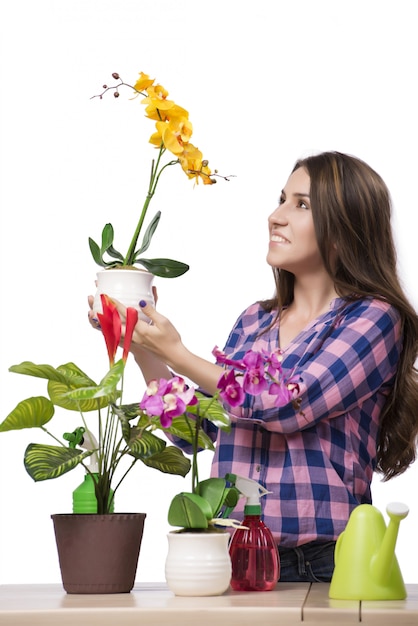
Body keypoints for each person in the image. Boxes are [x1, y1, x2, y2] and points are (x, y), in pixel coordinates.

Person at [89, 151, 418, 582]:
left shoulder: (373, 320)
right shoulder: (254, 322)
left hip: (323, 565)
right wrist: (142, 345)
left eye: (301, 205)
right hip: (232, 555)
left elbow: (288, 405)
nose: (275, 216)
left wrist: (179, 353)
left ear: (345, 229)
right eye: (281, 199)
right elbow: (198, 430)